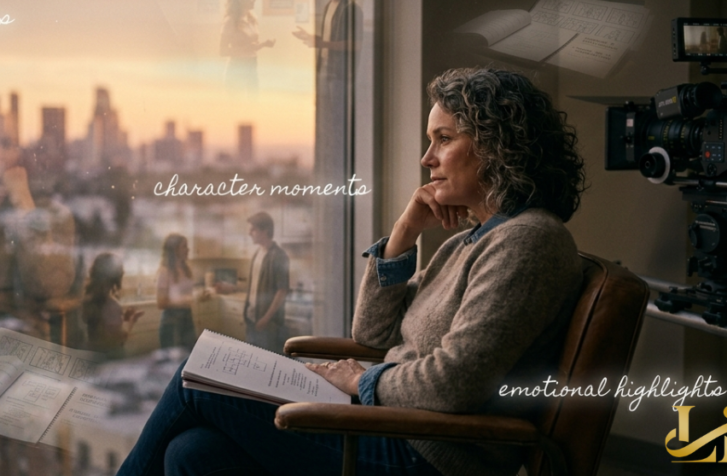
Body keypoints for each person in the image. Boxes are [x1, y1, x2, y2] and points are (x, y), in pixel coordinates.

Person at [115, 68, 587, 476]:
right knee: (192, 452)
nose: (427, 159)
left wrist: (358, 382)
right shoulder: (473, 240)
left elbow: (453, 382)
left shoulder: (528, 241)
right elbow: (374, 330)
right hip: (391, 426)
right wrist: (404, 232)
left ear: (498, 145)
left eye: (444, 140)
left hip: (424, 455)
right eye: (430, 141)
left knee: (189, 378)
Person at [215, 211, 290, 353]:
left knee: (267, 364)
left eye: (253, 229)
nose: (249, 233)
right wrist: (231, 287)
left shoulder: (278, 256)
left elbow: (282, 291)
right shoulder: (257, 253)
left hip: (267, 324)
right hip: (251, 319)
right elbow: (255, 285)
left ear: (265, 231)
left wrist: (265, 319)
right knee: (252, 360)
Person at [82, 252, 143, 358]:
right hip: (111, 358)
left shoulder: (89, 298)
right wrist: (131, 321)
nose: (124, 272)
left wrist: (123, 318)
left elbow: (103, 330)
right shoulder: (110, 304)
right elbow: (119, 339)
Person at [220, 0, 275, 97]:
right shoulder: (230, 21)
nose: (254, 0)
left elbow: (252, 46)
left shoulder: (252, 19)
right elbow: (222, 51)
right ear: (240, 0)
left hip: (252, 66)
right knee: (237, 107)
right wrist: (244, 49)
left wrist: (264, 44)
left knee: (253, 103)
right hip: (237, 69)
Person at [156, 234, 197, 349]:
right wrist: (188, 300)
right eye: (184, 246)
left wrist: (200, 296)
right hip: (172, 321)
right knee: (173, 361)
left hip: (187, 317)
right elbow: (161, 303)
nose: (188, 249)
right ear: (174, 250)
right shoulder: (164, 272)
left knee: (189, 356)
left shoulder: (186, 269)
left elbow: (185, 295)